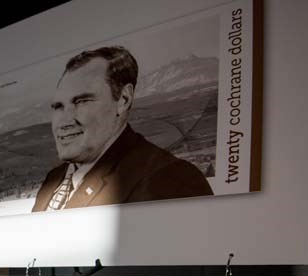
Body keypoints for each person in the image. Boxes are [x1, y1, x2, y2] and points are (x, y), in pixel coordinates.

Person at [32, 46, 213, 212]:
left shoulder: (171, 180)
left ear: (123, 100)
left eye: (82, 101)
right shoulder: (55, 179)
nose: (64, 121)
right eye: (58, 106)